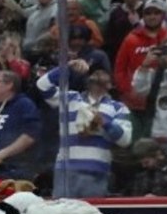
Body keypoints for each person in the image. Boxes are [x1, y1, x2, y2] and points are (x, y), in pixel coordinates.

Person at [37, 63, 131, 197]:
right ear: (87, 79)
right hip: (66, 170)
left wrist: (105, 123)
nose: (98, 74)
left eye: (104, 72)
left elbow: (125, 140)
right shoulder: (70, 98)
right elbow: (42, 85)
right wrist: (67, 67)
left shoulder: (118, 107)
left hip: (96, 171)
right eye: (94, 72)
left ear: (110, 84)